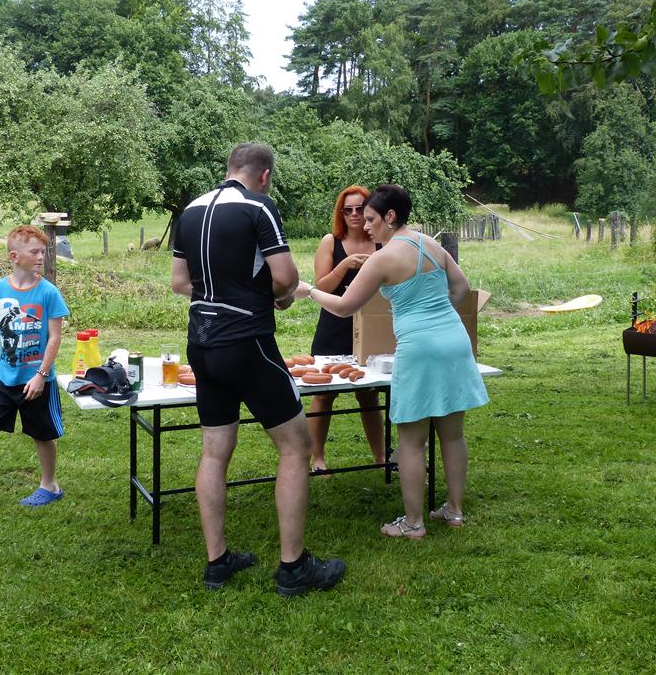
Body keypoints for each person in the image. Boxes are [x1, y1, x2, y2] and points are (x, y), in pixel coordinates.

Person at [172, 143, 345, 594]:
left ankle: (217, 561)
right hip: (247, 342)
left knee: (214, 452)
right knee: (296, 447)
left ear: (229, 167)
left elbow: (180, 282)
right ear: (264, 174)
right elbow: (286, 278)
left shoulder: (189, 211)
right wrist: (272, 295)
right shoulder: (258, 206)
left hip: (201, 343)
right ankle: (294, 567)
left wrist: (222, 292)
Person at [295, 184, 488, 539]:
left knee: (411, 441)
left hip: (419, 348)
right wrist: (435, 312)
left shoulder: (383, 258)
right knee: (452, 433)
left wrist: (309, 291)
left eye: (370, 219)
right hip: (455, 341)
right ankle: (454, 510)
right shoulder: (431, 244)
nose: (366, 226)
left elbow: (344, 306)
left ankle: (413, 523)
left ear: (391, 216)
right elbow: (462, 289)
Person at [0, 225, 69, 516]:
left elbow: (55, 337)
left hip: (37, 380)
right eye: (35, 252)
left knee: (42, 434)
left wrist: (41, 375)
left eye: (43, 252)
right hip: (4, 378)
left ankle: (50, 486)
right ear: (14, 256)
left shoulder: (49, 293)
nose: (41, 257)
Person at [307, 185, 385, 473]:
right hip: (334, 324)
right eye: (347, 209)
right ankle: (317, 459)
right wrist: (346, 265)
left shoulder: (381, 242)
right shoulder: (331, 242)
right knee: (324, 392)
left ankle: (380, 457)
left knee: (369, 393)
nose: (354, 214)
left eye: (360, 209)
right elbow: (321, 286)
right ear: (341, 213)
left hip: (370, 325)